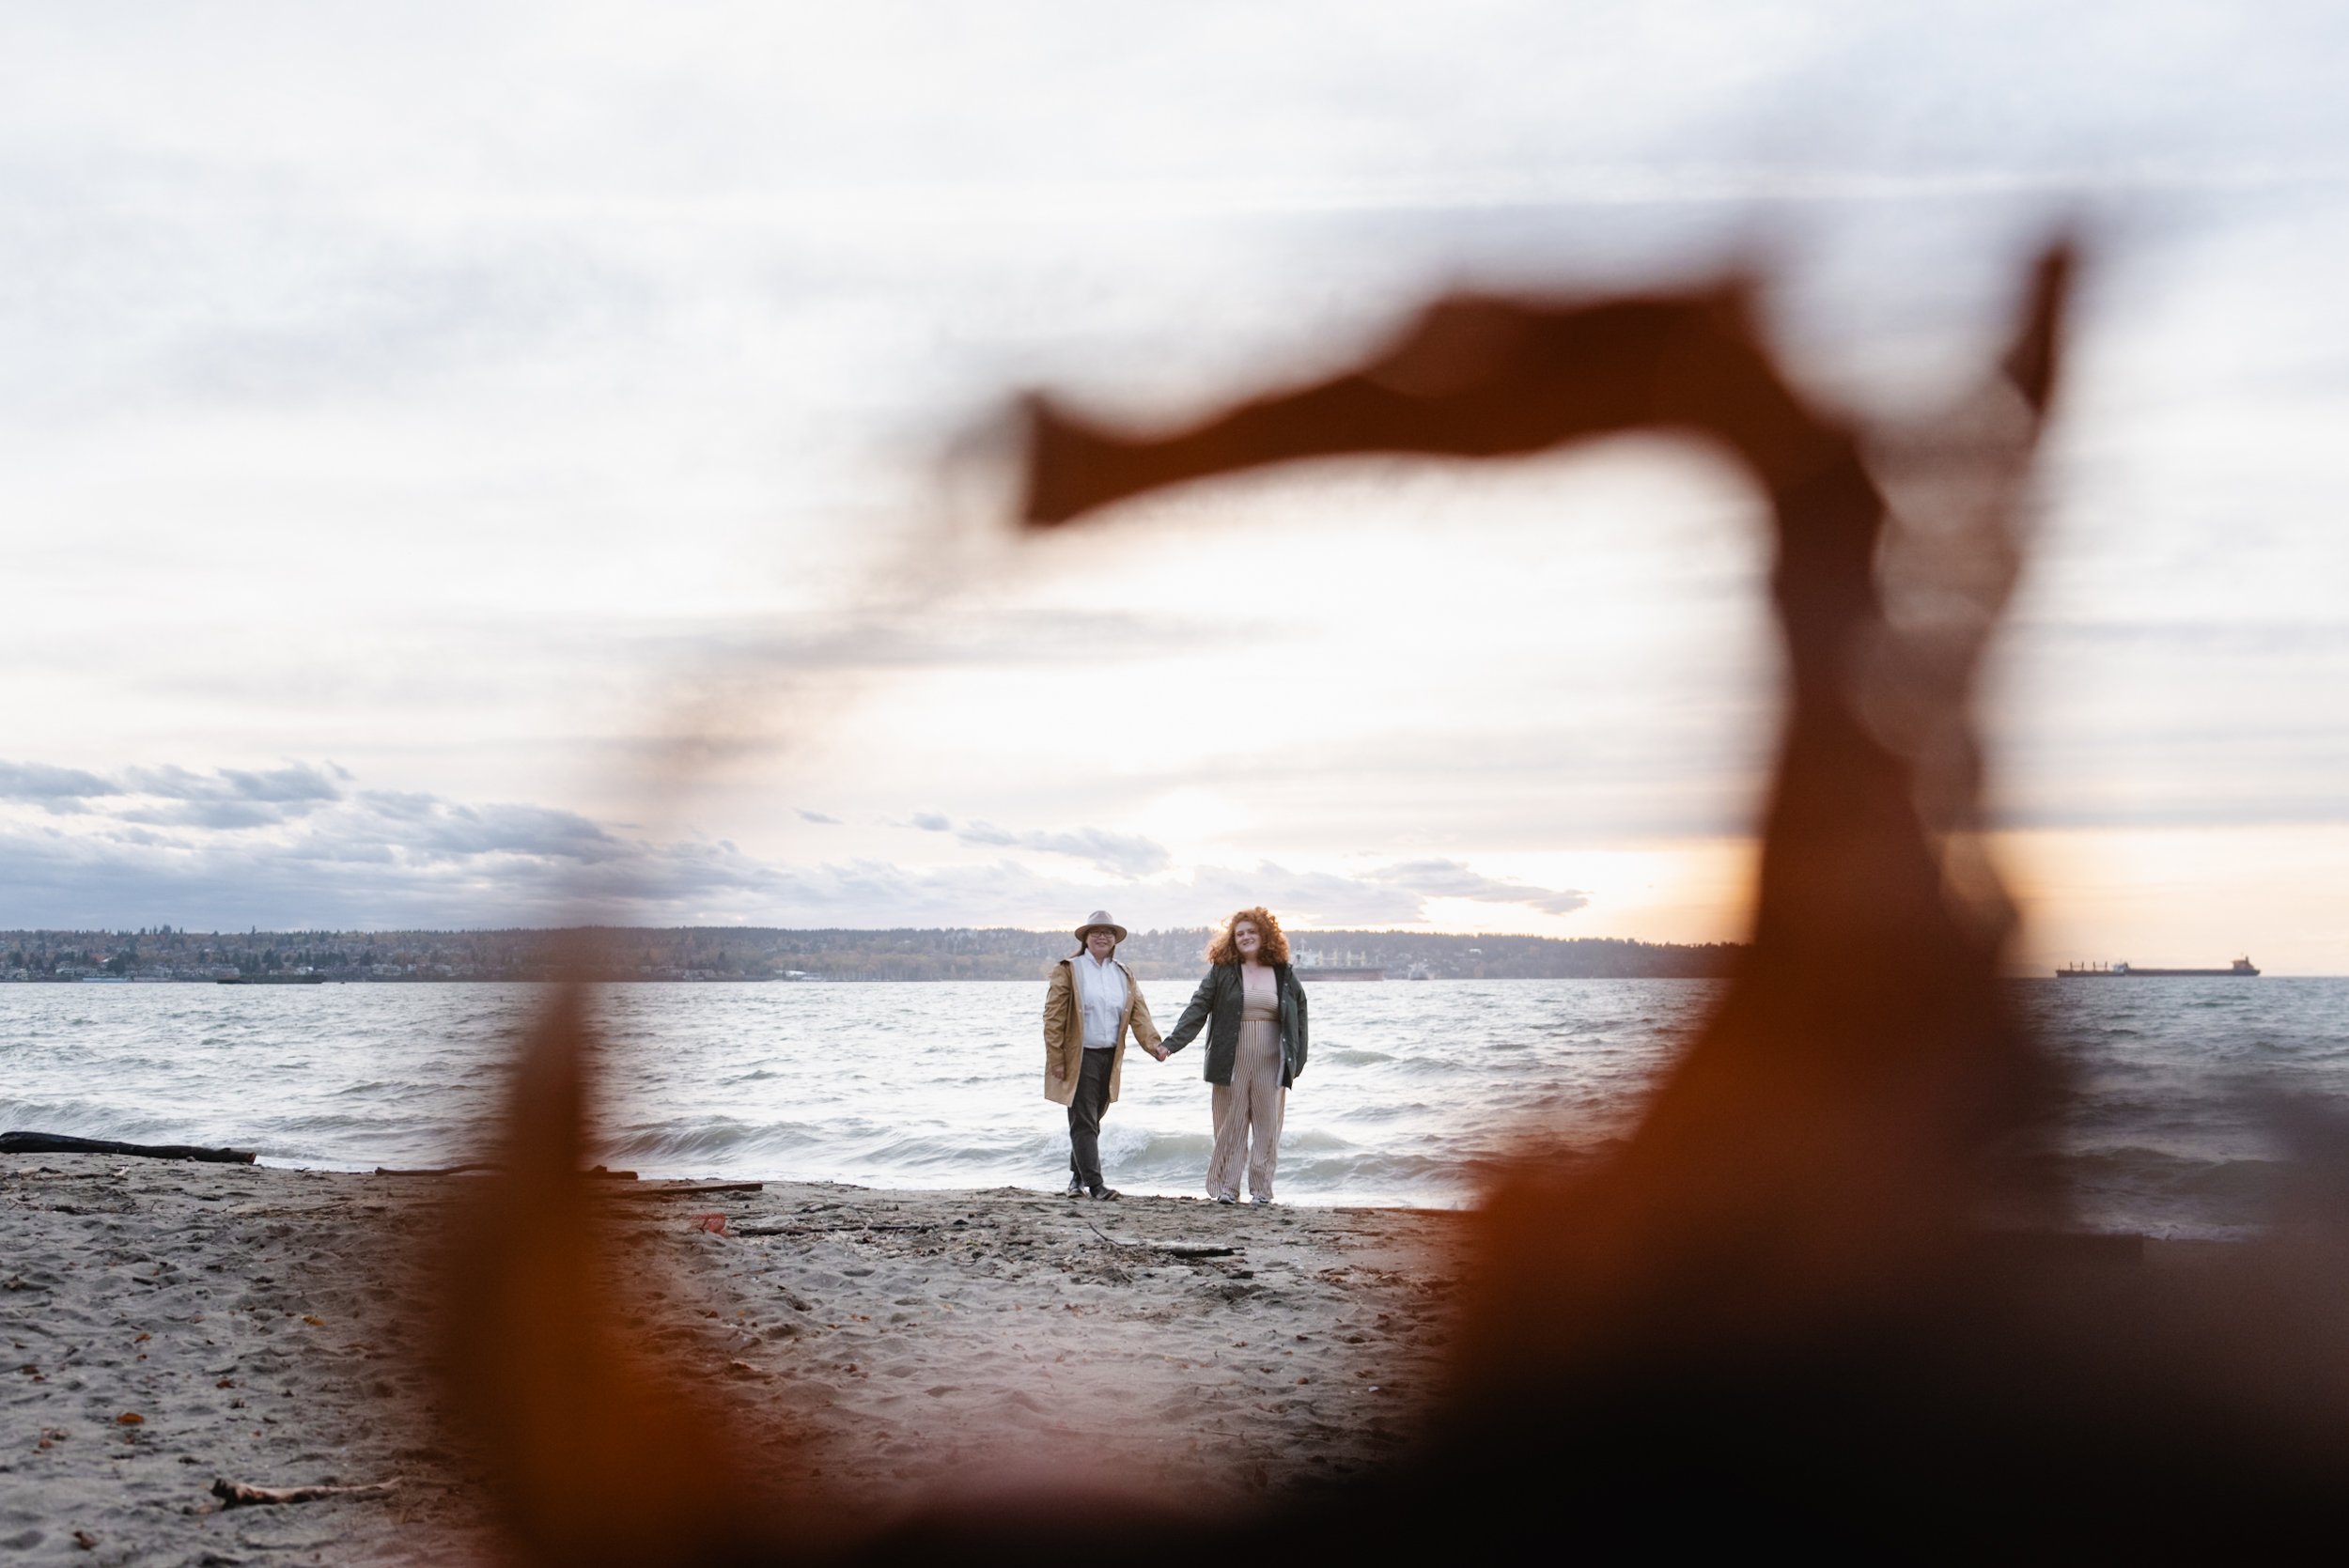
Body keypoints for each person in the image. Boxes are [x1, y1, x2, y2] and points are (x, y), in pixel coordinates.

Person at [1159, 906, 1308, 1205]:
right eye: (1239, 933)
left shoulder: (1284, 974)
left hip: (1272, 1062)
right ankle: (1228, 1187)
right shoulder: (1222, 972)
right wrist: (1170, 1044)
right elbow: (1198, 1008)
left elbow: (1300, 1015)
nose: (1245, 937)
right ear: (1232, 940)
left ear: (1264, 935)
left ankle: (1262, 1191)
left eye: (1252, 931)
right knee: (1231, 1123)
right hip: (1231, 1061)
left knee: (1268, 1126)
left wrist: (1297, 1060)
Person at [1041, 909, 1166, 1200]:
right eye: (1095, 931)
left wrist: (1155, 1046)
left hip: (1110, 1057)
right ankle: (1096, 1186)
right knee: (1084, 1120)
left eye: (1108, 932)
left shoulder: (1123, 973)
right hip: (1079, 1057)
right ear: (1085, 937)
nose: (1102, 936)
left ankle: (1076, 1180)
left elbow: (1139, 1014)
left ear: (1115, 940)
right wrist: (1056, 1060)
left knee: (1092, 1120)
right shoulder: (1069, 969)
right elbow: (1053, 1018)